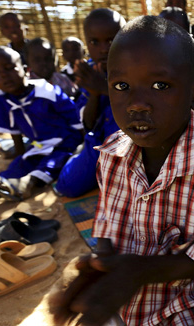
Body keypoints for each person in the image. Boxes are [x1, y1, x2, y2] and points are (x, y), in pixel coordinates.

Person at [49, 16, 194, 326]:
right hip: (124, 298)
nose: (137, 104)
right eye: (122, 86)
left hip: (192, 303)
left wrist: (137, 273)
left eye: (160, 85)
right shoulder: (113, 153)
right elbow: (108, 230)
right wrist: (99, 266)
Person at [0, 46, 82, 200]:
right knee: (22, 162)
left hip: (65, 140)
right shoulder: (0, 96)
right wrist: (20, 154)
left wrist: (82, 146)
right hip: (38, 144)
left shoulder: (47, 91)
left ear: (25, 69)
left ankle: (28, 182)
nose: (4, 76)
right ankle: (1, 183)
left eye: (9, 68)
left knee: (53, 161)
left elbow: (75, 119)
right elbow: (14, 130)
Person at [54, 8, 125, 198]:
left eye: (111, 39)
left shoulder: (138, 66)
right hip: (99, 141)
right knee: (66, 186)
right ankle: (79, 155)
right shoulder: (90, 70)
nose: (103, 48)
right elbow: (87, 123)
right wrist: (94, 94)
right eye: (95, 42)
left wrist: (105, 89)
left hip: (132, 145)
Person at [159, 6, 194, 119]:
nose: (168, 40)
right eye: (162, 34)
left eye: (176, 34)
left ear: (189, 38)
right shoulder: (151, 66)